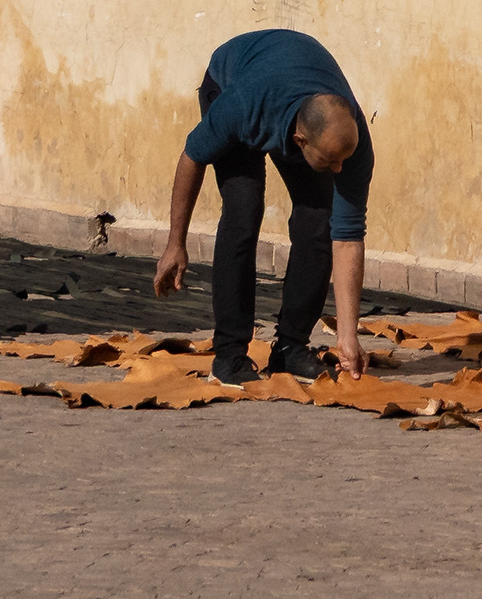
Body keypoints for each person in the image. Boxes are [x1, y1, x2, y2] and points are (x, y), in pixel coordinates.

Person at [155, 27, 372, 385]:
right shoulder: (242, 106)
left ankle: (291, 349)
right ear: (300, 141)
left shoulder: (350, 146)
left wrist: (348, 336)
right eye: (330, 161)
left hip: (285, 82)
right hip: (231, 77)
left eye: (342, 160)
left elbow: (348, 237)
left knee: (319, 218)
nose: (340, 170)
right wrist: (175, 242)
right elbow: (192, 157)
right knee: (244, 209)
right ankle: (229, 357)